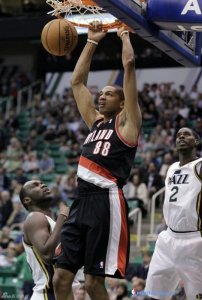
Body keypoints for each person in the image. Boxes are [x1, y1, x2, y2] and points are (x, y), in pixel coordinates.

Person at [53, 21, 142, 300]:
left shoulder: (127, 124)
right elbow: (77, 82)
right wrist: (91, 42)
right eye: (100, 94)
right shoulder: (95, 123)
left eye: (109, 94)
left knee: (93, 284)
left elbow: (129, 64)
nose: (101, 97)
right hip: (81, 201)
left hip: (106, 201)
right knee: (61, 278)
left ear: (122, 102)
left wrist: (124, 36)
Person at [145, 127, 202, 300]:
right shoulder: (171, 168)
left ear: (196, 142)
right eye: (178, 135)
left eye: (187, 134)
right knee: (154, 296)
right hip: (167, 240)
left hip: (195, 241)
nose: (181, 136)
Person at [19, 180, 70, 299]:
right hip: (48, 294)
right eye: (35, 185)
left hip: (60, 292)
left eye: (42, 183)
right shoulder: (35, 217)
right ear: (27, 200)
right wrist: (62, 218)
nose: (43, 185)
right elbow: (47, 256)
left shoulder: (47, 220)